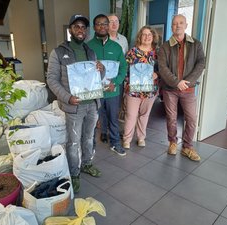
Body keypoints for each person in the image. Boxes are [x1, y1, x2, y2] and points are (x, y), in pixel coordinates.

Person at [47, 14, 104, 193]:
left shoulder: (90, 51)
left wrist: (101, 71)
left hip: (92, 104)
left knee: (88, 138)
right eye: (77, 26)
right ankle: (74, 173)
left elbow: (96, 78)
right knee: (73, 142)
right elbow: (52, 79)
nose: (81, 30)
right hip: (74, 106)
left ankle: (86, 163)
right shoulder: (58, 52)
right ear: (70, 29)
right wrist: (67, 97)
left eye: (83, 27)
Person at [158, 14, 205, 161]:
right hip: (170, 89)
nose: (177, 25)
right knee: (171, 118)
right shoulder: (165, 46)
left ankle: (187, 147)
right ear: (172, 27)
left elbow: (201, 63)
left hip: (188, 89)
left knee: (191, 119)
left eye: (180, 23)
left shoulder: (196, 44)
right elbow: (162, 68)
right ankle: (172, 142)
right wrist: (176, 82)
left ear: (186, 25)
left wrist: (187, 82)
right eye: (174, 23)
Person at [88, 14, 127, 156]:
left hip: (112, 92)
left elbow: (123, 68)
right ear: (94, 27)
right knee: (92, 121)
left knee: (113, 119)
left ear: (108, 26)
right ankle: (89, 147)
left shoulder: (116, 47)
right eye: (99, 24)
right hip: (94, 92)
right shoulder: (88, 47)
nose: (102, 26)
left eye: (105, 24)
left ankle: (115, 143)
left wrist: (115, 82)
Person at [122, 26, 159, 149]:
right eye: (144, 34)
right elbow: (124, 70)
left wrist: (157, 74)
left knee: (144, 115)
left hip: (150, 91)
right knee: (131, 115)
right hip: (133, 90)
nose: (147, 37)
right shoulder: (132, 52)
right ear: (140, 37)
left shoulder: (157, 53)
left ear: (153, 37)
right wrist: (129, 81)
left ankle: (141, 138)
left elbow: (163, 69)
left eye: (149, 34)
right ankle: (127, 139)